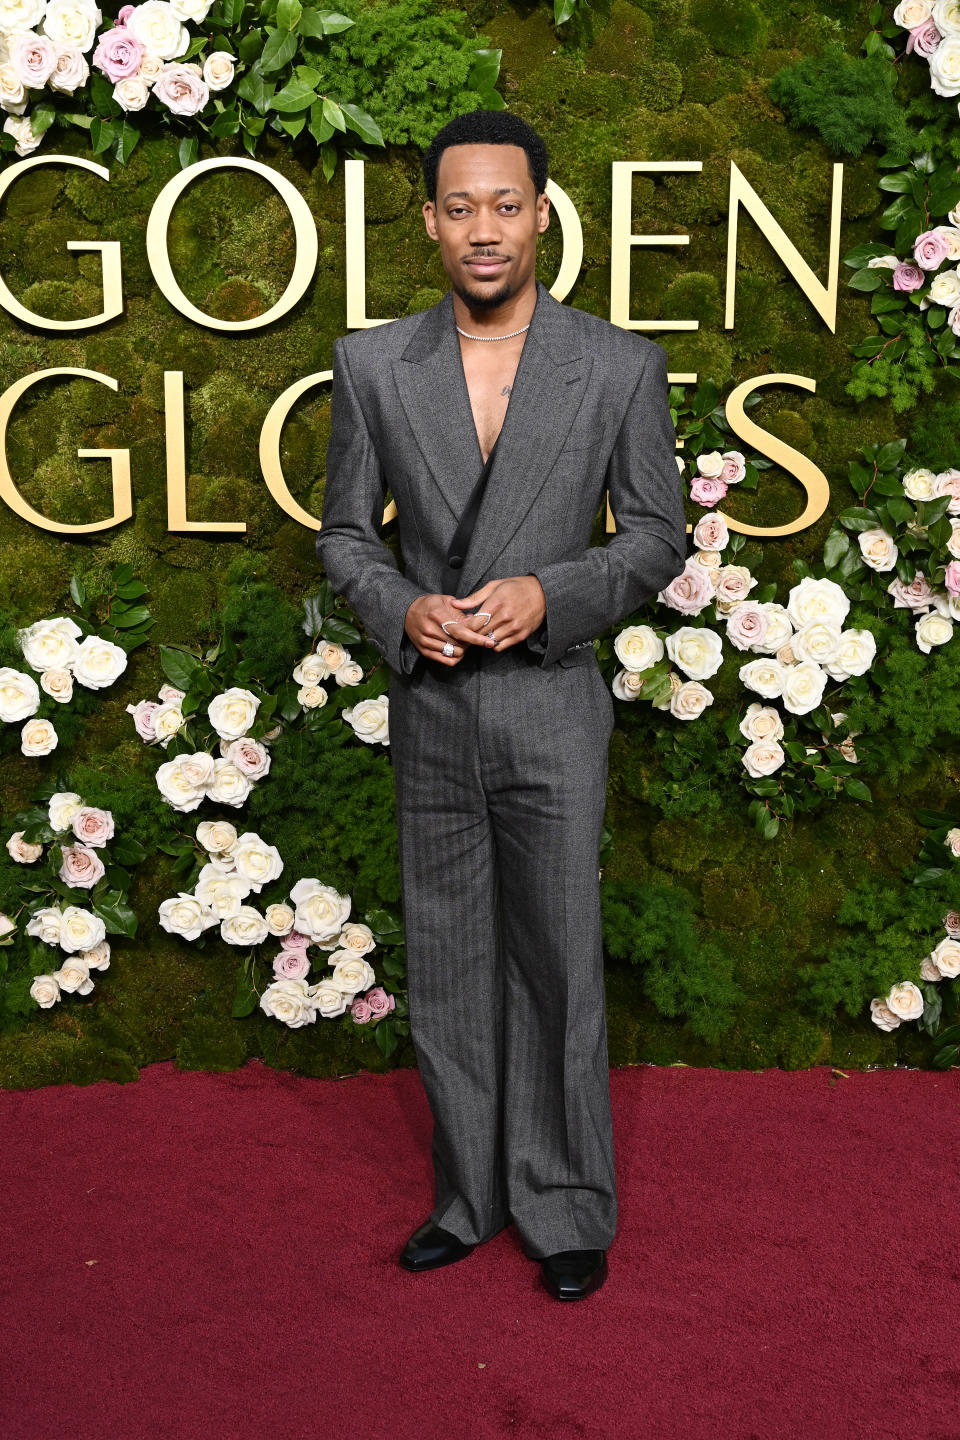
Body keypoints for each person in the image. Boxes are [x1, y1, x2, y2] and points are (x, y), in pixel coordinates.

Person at [316, 110, 687, 1301]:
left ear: (542, 212)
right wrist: (400, 608)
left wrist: (553, 590)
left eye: (506, 205)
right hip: (434, 708)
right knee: (450, 955)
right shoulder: (373, 365)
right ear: (429, 222)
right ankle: (469, 1195)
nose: (484, 229)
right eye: (460, 207)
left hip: (550, 702)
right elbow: (341, 535)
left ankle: (567, 1201)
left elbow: (659, 536)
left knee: (559, 962)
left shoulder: (616, 363)